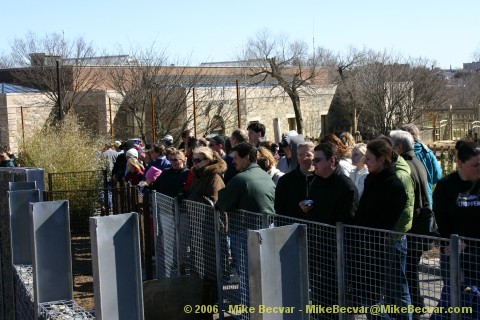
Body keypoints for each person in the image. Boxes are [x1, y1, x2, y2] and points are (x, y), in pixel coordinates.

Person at [354, 139, 411, 320]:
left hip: (386, 244)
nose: (365, 162)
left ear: (381, 160)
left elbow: (384, 220)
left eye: (369, 158)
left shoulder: (394, 185)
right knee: (372, 296)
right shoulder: (371, 179)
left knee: (395, 291)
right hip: (368, 245)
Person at [298, 142, 358, 315]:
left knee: (337, 299)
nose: (313, 163)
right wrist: (306, 209)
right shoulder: (316, 181)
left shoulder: (345, 186)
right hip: (318, 249)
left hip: (337, 253)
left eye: (317, 160)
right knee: (318, 298)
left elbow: (345, 219)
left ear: (332, 161)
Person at [216, 142, 276, 306]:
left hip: (245, 234)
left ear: (247, 157)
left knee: (248, 275)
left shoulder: (241, 179)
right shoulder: (265, 175)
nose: (233, 162)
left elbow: (222, 203)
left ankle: (251, 312)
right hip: (267, 231)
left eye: (236, 158)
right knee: (264, 275)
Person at [390, 129, 431, 315]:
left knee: (407, 273)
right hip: (421, 222)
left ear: (398, 147)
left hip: (414, 225)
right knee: (411, 271)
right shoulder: (417, 161)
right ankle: (418, 305)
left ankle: (413, 308)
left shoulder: (405, 166)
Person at [433, 141, 480, 287]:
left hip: (476, 249)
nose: (479, 168)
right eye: (475, 165)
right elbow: (443, 222)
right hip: (454, 252)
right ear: (460, 163)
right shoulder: (445, 186)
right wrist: (453, 251)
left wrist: (468, 241)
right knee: (458, 302)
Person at [401, 123, 442, 207]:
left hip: (407, 200)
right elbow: (437, 175)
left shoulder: (401, 153)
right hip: (426, 198)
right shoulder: (428, 152)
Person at [275, 141, 315, 218]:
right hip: (293, 224)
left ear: (314, 156)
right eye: (300, 155)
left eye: (308, 155)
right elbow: (279, 207)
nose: (304, 158)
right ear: (297, 156)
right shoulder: (285, 180)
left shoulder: (321, 178)